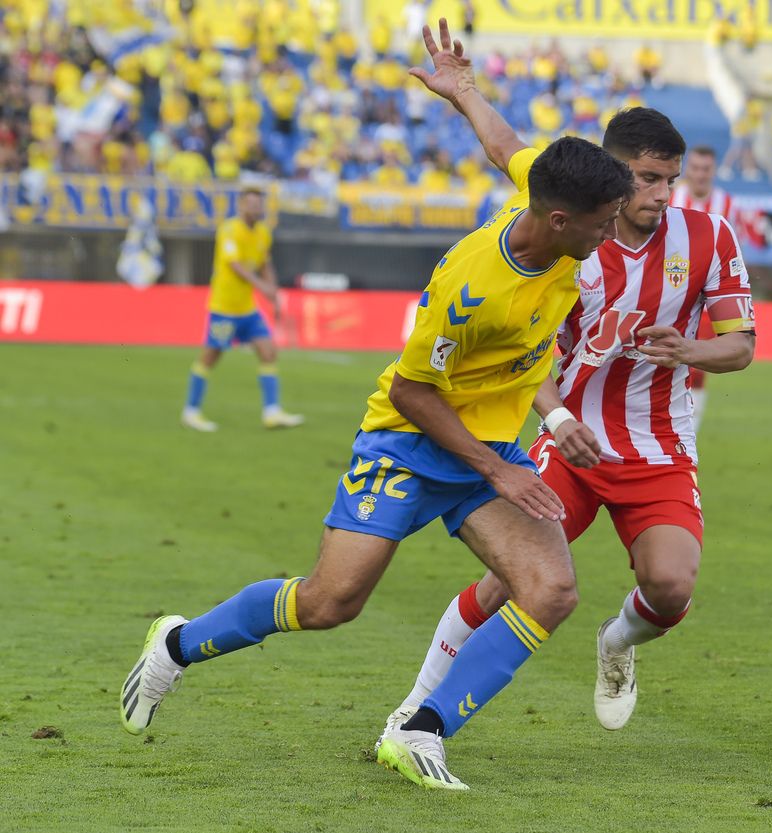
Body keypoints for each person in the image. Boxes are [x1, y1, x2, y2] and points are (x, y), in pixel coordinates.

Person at [121, 19, 634, 791]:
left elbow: (505, 147)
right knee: (331, 602)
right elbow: (410, 388)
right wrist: (496, 467)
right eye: (602, 225)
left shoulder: (552, 204)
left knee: (551, 588)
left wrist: (463, 90)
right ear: (560, 219)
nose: (611, 234)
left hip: (486, 450)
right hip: (411, 440)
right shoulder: (473, 285)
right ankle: (176, 644)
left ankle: (421, 730)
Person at [375, 105, 756, 758]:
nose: (662, 194)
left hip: (659, 448)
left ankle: (617, 641)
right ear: (614, 174)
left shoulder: (711, 238)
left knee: (671, 586)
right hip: (571, 442)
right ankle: (413, 710)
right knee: (509, 580)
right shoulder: (576, 240)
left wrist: (690, 351)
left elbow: (742, 345)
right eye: (647, 179)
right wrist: (555, 416)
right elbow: (530, 357)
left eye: (671, 180)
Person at [181, 183, 304, 432]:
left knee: (268, 352)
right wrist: (262, 286)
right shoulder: (229, 230)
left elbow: (265, 263)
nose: (255, 207)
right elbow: (236, 266)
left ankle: (272, 412)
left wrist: (273, 292)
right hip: (225, 309)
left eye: (258, 204)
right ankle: (191, 411)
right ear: (240, 205)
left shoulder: (263, 233)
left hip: (247, 309)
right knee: (210, 357)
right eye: (250, 203)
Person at [669, 144, 738, 430]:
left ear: (713, 171)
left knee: (696, 365)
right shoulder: (673, 198)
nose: (699, 175)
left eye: (705, 169)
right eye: (695, 168)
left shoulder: (727, 205)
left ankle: (688, 431)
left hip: (708, 296)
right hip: (673, 292)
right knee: (668, 360)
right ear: (688, 170)